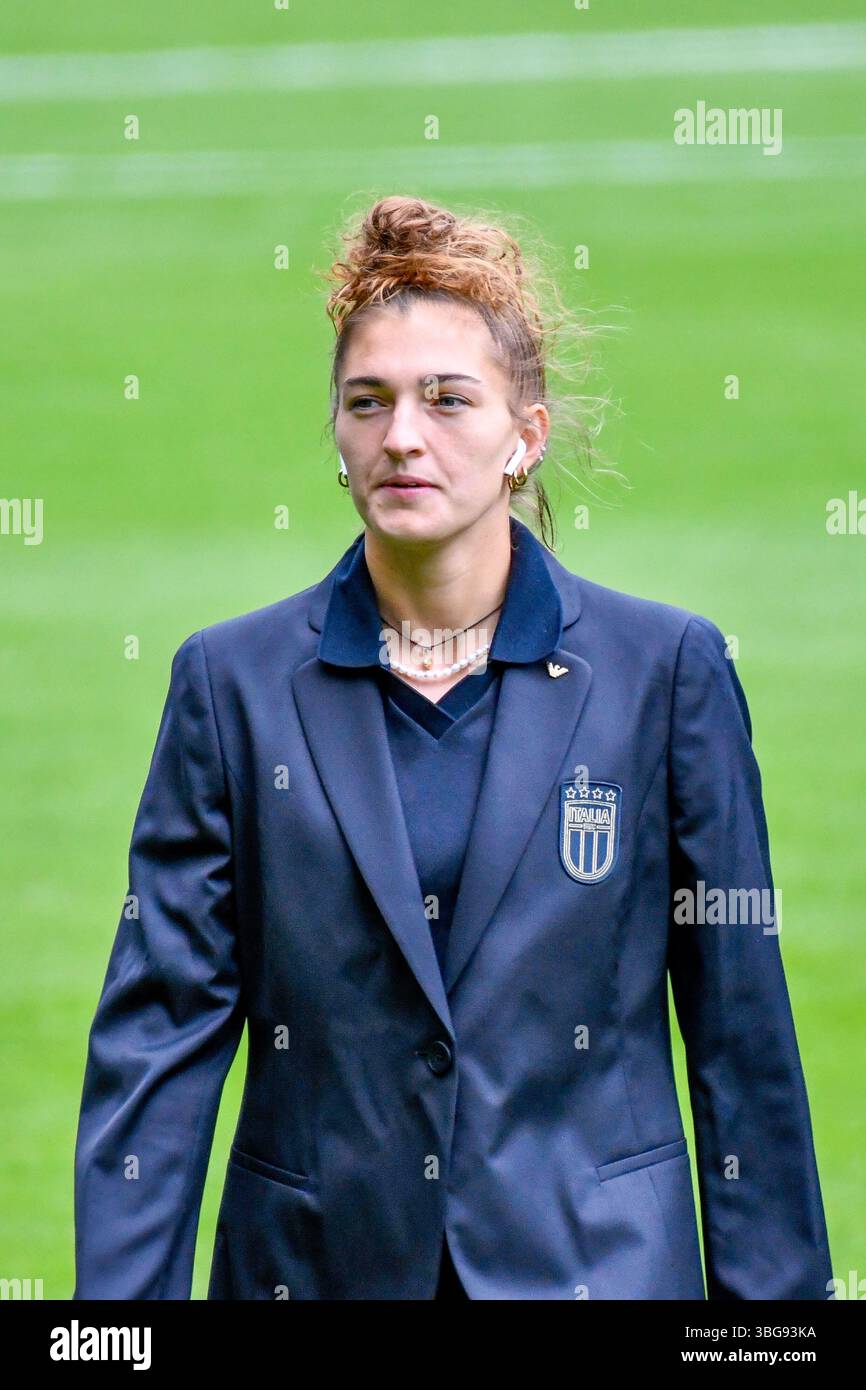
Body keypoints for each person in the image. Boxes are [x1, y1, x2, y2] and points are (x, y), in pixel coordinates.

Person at [72, 195, 832, 1300]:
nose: (402, 437)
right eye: (366, 403)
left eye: (446, 399)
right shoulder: (228, 687)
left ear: (524, 434)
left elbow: (739, 1034)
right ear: (335, 435)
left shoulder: (665, 673)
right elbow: (158, 1044)